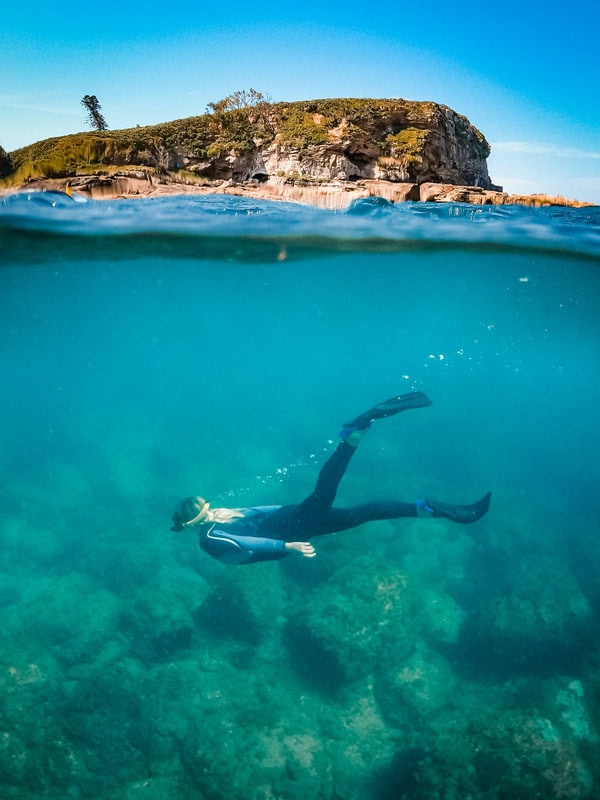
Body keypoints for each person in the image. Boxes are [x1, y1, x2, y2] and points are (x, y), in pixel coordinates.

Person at [170, 392, 491, 565]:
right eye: (205, 509)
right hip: (299, 522)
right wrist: (290, 522)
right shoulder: (218, 520)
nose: (210, 510)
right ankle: (429, 509)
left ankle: (353, 434)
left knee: (330, 493)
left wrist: (289, 544)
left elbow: (244, 542)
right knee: (363, 514)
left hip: (296, 526)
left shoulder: (209, 536)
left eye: (206, 508)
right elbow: (260, 513)